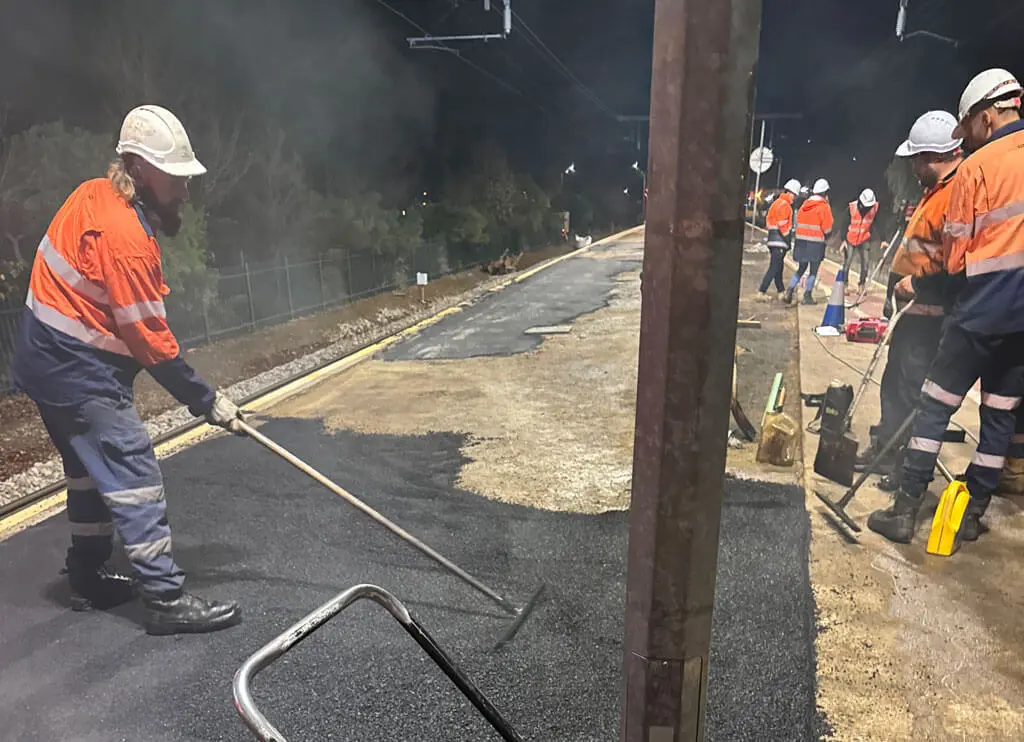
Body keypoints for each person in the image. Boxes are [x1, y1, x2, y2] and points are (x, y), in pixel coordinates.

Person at [12, 104, 245, 634]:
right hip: (74, 370)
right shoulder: (126, 240)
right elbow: (152, 344)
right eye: (177, 178)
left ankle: (87, 576)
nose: (185, 191)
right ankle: (164, 600)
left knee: (88, 474)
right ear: (139, 169)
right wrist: (206, 400)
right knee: (134, 468)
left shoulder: (93, 193)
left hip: (43, 361)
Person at [868, 69, 1024, 544]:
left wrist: (920, 285)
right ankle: (971, 513)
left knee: (933, 407)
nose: (967, 137)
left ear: (987, 115)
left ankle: (905, 509)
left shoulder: (977, 168)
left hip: (977, 312)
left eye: (968, 126)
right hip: (1021, 322)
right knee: (998, 415)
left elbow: (956, 262)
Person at [853, 111, 965, 493]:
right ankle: (884, 449)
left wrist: (914, 285)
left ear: (933, 155)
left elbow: (953, 261)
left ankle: (906, 467)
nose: (914, 167)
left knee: (914, 392)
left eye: (917, 159)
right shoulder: (935, 191)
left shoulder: (956, 193)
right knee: (893, 384)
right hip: (910, 315)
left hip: (928, 317)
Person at [784, 178, 834, 305]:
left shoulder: (804, 205)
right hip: (815, 244)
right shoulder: (824, 207)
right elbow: (827, 228)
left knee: (801, 268)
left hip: (801, 242)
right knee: (813, 271)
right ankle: (807, 295)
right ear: (824, 193)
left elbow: (798, 221)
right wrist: (827, 236)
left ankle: (789, 290)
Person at [757, 179, 801, 299]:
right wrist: (788, 239)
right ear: (790, 192)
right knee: (774, 268)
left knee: (778, 267)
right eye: (795, 195)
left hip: (772, 239)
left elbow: (769, 222)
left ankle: (781, 291)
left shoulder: (776, 203)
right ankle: (761, 291)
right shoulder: (785, 205)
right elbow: (783, 226)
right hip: (779, 240)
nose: (795, 198)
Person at [840, 188, 880, 293]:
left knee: (865, 264)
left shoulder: (874, 208)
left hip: (864, 239)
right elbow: (844, 224)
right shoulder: (851, 208)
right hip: (850, 239)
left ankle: (861, 284)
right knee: (847, 263)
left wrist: (883, 239)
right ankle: (844, 284)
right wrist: (843, 239)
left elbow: (878, 224)